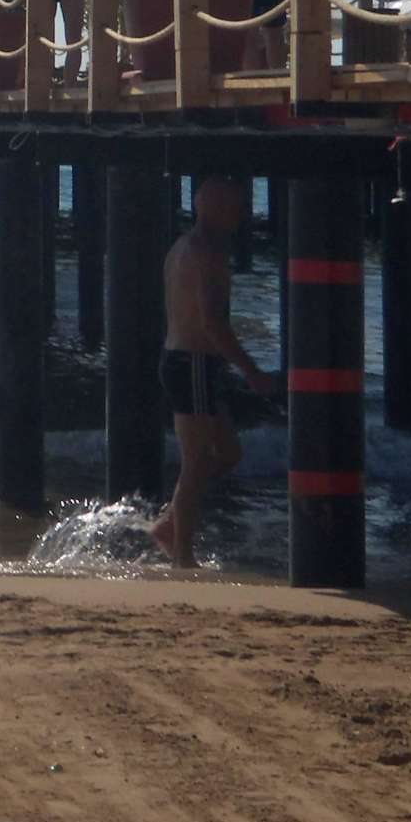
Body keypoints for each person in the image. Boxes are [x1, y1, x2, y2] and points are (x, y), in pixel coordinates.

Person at [151, 177, 280, 567]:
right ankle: (182, 555)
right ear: (216, 208)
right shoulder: (205, 251)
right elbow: (212, 323)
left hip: (189, 362)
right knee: (196, 460)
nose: (242, 215)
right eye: (236, 207)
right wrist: (251, 371)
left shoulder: (182, 246)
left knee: (227, 453)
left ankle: (169, 524)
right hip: (191, 362)